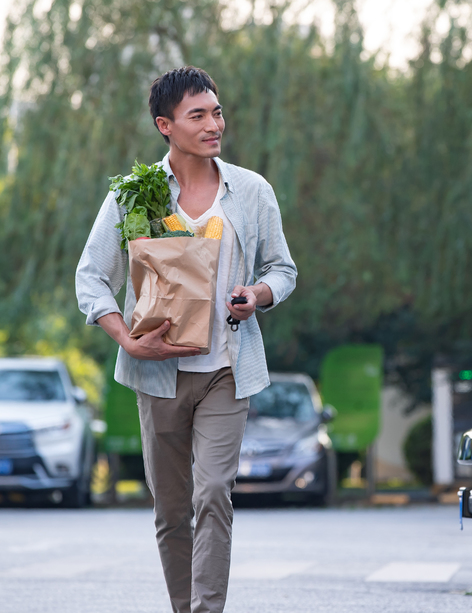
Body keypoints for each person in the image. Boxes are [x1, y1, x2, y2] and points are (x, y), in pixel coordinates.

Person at [75, 66, 297, 613]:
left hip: (227, 368)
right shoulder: (136, 194)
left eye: (216, 111)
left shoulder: (250, 191)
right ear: (165, 126)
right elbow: (90, 276)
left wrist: (258, 295)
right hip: (157, 374)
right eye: (197, 115)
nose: (213, 123)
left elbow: (283, 269)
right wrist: (128, 339)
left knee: (213, 494)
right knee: (172, 510)